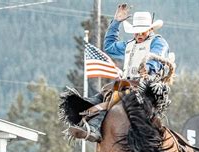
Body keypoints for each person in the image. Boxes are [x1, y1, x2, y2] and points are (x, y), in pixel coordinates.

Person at [73, 3, 170, 142]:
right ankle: (84, 116)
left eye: (143, 31)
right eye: (137, 32)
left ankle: (95, 126)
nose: (140, 35)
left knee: (116, 98)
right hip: (126, 84)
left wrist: (148, 67)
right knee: (102, 96)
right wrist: (116, 22)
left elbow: (157, 56)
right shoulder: (129, 44)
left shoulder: (158, 42)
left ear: (150, 29)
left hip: (146, 86)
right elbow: (109, 46)